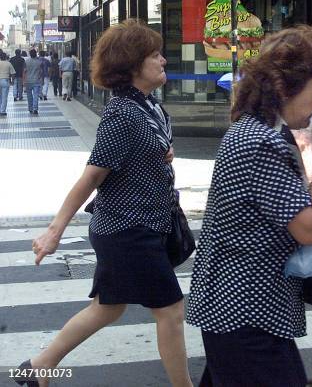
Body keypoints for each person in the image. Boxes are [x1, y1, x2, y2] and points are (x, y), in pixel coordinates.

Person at [18, 19, 193, 387]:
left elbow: (146, 152)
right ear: (132, 65)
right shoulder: (121, 114)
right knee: (171, 310)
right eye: (155, 55)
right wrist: (55, 230)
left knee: (108, 307)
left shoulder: (150, 107)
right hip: (128, 229)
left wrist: (163, 153)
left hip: (145, 223)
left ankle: (40, 366)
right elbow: (92, 176)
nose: (164, 60)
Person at [186, 25, 312, 387]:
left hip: (241, 306)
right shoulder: (260, 142)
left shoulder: (267, 132)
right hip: (246, 311)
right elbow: (311, 228)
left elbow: (298, 200)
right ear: (286, 87)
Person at [23, 48, 43, 115]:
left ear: (30, 54)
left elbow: (24, 72)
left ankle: (30, 108)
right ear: (36, 54)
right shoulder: (39, 62)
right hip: (36, 81)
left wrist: (24, 81)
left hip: (28, 81)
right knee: (36, 95)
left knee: (29, 96)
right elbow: (40, 72)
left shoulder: (26, 61)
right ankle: (35, 109)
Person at [0, 51, 16, 116]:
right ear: (6, 57)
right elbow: (13, 73)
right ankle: (2, 111)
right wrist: (12, 81)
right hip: (5, 81)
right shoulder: (8, 63)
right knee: (4, 97)